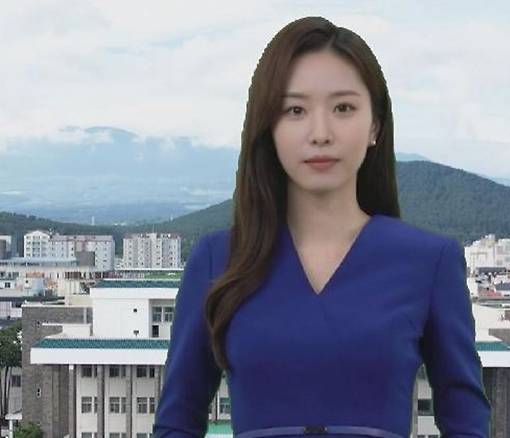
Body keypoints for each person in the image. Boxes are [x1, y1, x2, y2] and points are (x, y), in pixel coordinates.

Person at [153, 16, 491, 438]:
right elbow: (176, 422)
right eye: (295, 110)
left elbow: (466, 422)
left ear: (375, 125)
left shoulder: (430, 261)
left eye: (343, 108)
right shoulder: (216, 260)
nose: (320, 133)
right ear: (268, 127)